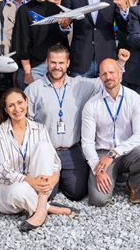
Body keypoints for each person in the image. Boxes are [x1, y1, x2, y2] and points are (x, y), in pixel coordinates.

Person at [0, 88, 74, 232]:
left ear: (26, 102)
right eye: (11, 105)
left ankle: (40, 210)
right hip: (7, 188)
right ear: (5, 109)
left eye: (20, 103)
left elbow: (55, 162)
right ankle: (47, 207)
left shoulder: (40, 128)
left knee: (44, 147)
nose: (17, 108)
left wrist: (53, 178)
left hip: (37, 187)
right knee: (17, 190)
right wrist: (31, 181)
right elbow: (3, 170)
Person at [25, 44, 99, 201]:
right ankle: (54, 183)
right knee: (46, 194)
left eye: (61, 63)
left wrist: (121, 63)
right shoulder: (33, 89)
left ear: (68, 63)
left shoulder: (81, 85)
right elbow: (26, 123)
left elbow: (105, 80)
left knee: (77, 193)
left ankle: (61, 180)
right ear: (47, 62)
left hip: (72, 151)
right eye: (53, 62)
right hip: (46, 152)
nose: (57, 67)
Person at [81, 58, 140, 206]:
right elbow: (87, 142)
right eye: (104, 74)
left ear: (120, 73)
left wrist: (114, 153)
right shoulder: (91, 105)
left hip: (127, 152)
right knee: (98, 200)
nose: (108, 77)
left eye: (112, 72)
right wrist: (97, 171)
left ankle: (133, 183)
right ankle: (114, 177)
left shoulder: (135, 99)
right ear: (100, 77)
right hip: (102, 154)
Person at [60, 0, 130, 78]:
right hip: (81, 60)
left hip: (107, 59)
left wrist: (124, 10)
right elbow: (63, 28)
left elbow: (124, 28)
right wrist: (64, 26)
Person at [13, 0, 69, 85]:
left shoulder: (56, 10)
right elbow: (21, 42)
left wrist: (64, 26)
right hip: (33, 69)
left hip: (55, 66)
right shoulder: (24, 10)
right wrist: (28, 72)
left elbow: (62, 41)